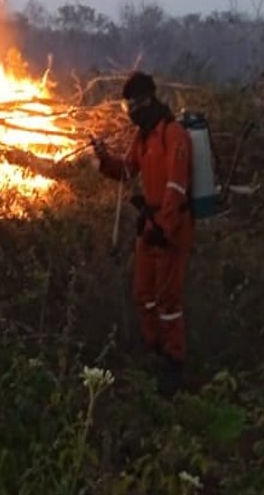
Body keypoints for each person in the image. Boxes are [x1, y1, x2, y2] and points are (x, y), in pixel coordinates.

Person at [92, 70, 192, 398]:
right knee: (143, 294)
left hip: (171, 228)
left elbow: (177, 188)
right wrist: (104, 158)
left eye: (134, 104)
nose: (131, 111)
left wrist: (164, 229)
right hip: (150, 225)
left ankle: (174, 363)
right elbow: (126, 171)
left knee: (168, 299)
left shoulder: (172, 134)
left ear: (148, 99)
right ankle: (153, 351)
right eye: (128, 106)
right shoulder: (144, 137)